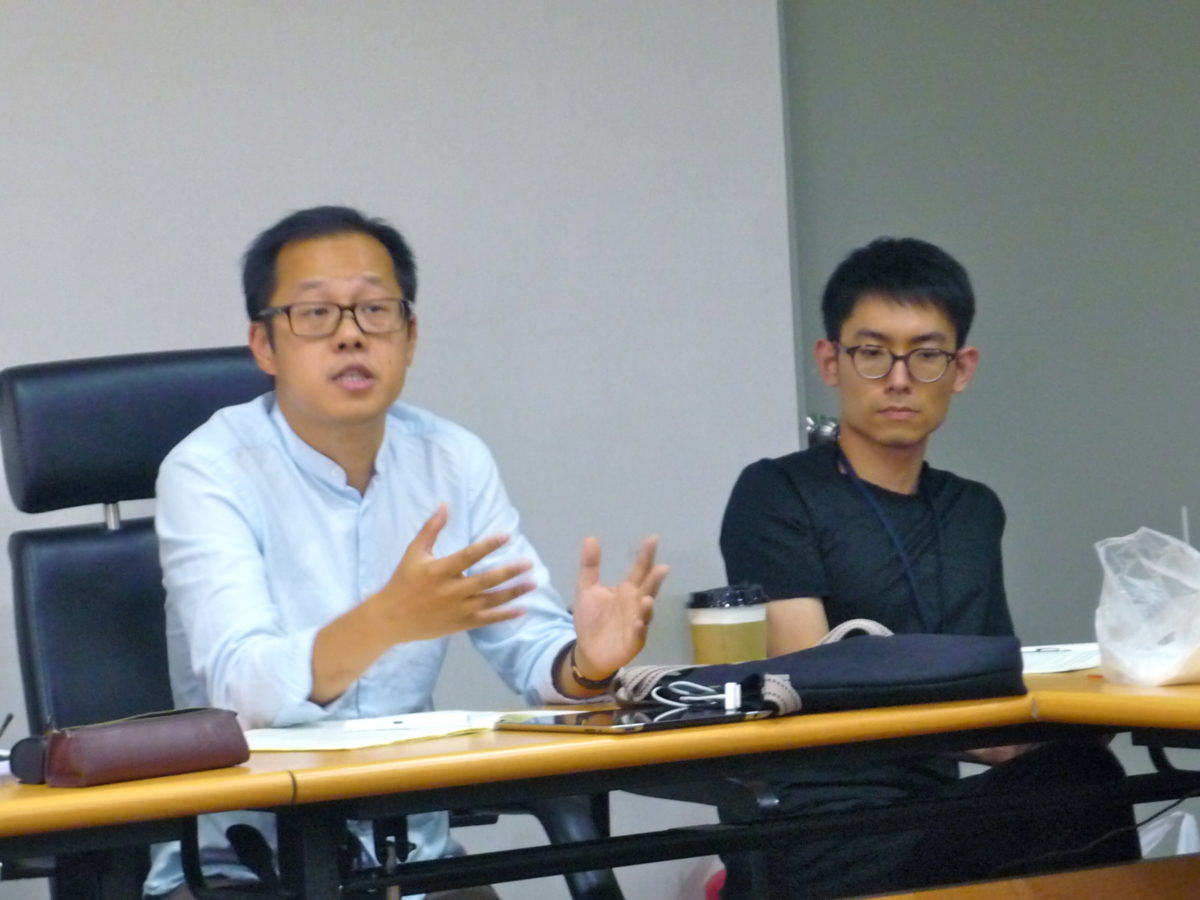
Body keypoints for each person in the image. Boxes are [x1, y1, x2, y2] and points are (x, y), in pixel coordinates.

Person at [143, 206, 668, 899]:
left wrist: (585, 663)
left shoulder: (452, 460)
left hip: (415, 861)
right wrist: (384, 621)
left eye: (374, 310)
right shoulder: (208, 471)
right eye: (315, 314)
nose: (350, 335)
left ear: (410, 336)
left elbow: (529, 648)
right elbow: (243, 692)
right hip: (242, 869)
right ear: (264, 345)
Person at [718, 237, 1138, 898]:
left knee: (1082, 773)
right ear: (830, 361)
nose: (899, 378)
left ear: (961, 368)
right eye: (872, 351)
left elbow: (990, 697)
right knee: (1080, 789)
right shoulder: (777, 493)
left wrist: (1083, 712)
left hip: (935, 809)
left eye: (926, 354)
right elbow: (814, 677)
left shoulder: (974, 510)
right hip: (822, 828)